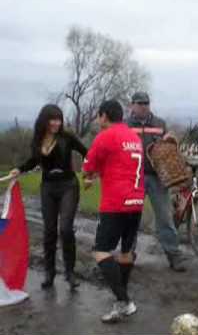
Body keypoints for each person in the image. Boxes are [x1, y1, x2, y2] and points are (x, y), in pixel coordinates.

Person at [10, 104, 87, 290]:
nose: (56, 123)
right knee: (49, 231)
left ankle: (70, 272)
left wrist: (90, 171)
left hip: (68, 185)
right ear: (44, 120)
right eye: (52, 119)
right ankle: (49, 272)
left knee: (66, 229)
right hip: (48, 188)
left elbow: (88, 153)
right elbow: (33, 161)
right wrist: (19, 169)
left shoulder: (67, 137)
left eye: (58, 119)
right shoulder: (37, 140)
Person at [83, 100, 145, 323]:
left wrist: (88, 177)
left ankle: (124, 301)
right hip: (136, 201)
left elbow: (88, 165)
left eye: (99, 117)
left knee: (101, 251)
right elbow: (118, 163)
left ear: (104, 116)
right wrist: (100, 172)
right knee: (126, 253)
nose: (99, 121)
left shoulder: (106, 135)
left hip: (116, 202)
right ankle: (121, 299)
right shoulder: (133, 137)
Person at [127, 92, 186, 272]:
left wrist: (172, 140)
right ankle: (128, 254)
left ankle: (174, 255)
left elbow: (170, 145)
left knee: (165, 218)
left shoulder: (160, 124)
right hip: (133, 178)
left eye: (146, 103)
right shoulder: (125, 125)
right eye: (140, 103)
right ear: (132, 105)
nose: (144, 106)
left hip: (157, 177)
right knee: (130, 218)